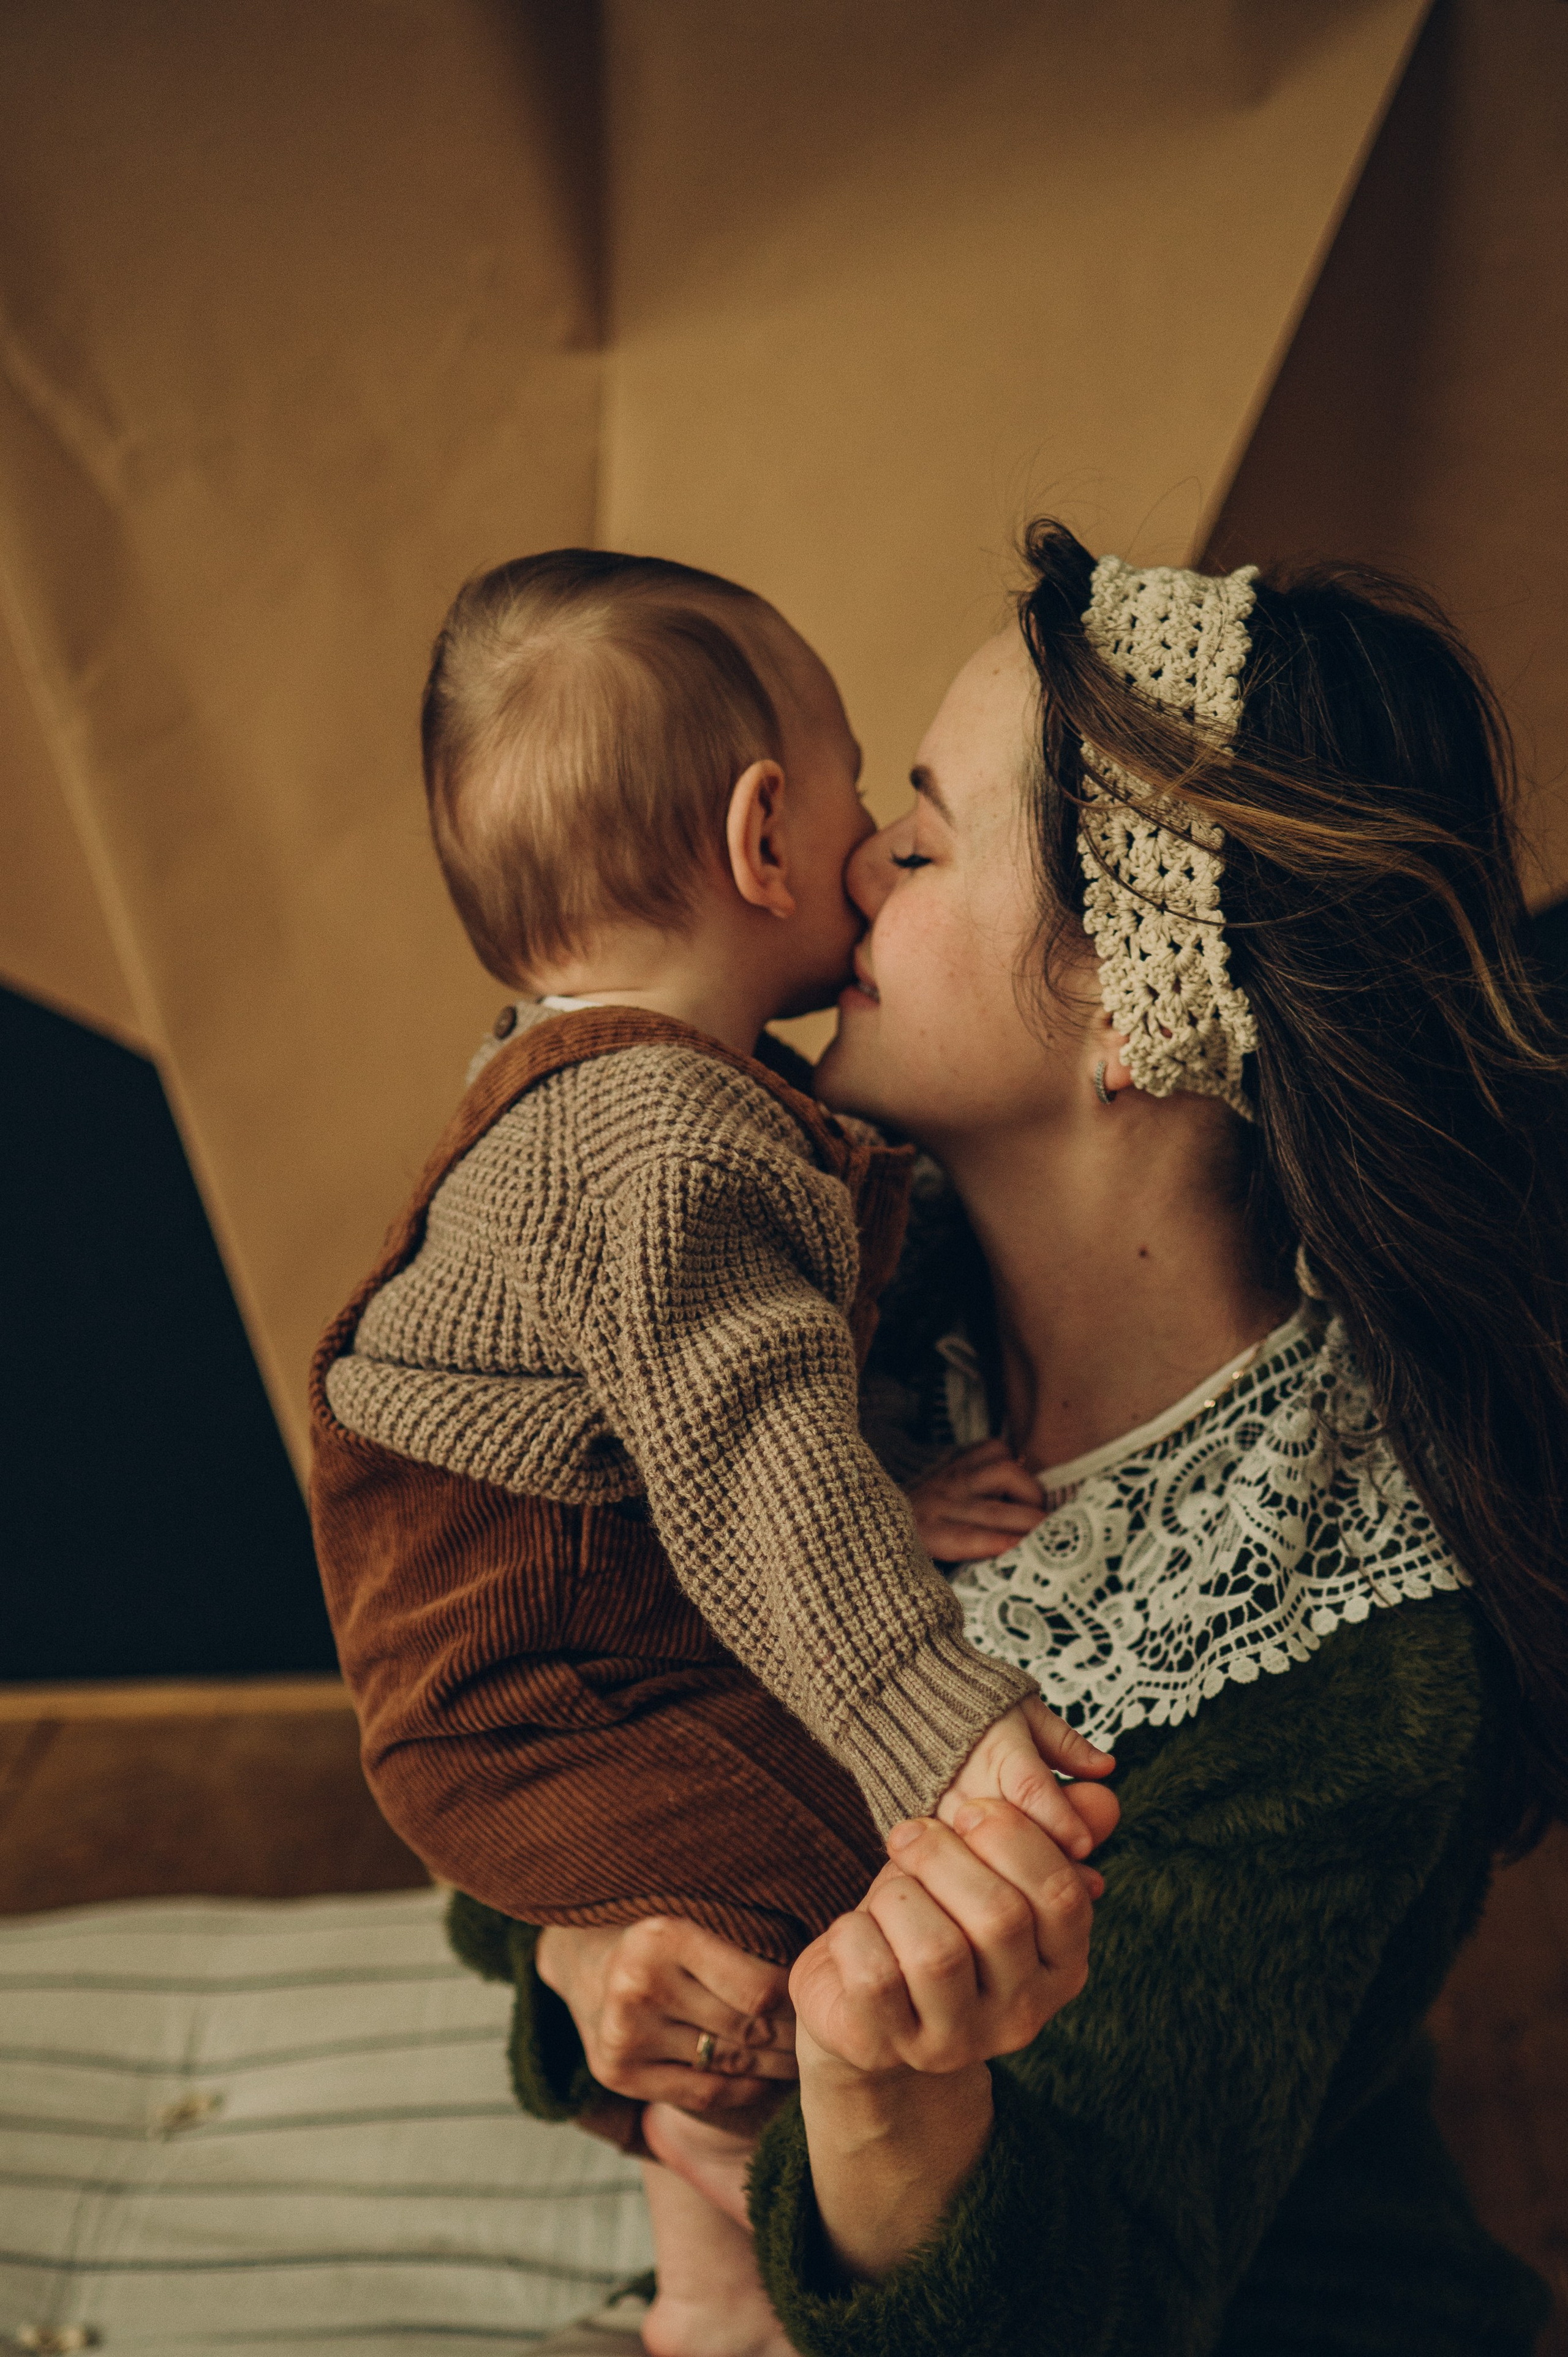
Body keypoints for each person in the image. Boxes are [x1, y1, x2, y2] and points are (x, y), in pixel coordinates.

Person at [522, 528, 1566, 2355]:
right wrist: (594, 1956)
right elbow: (521, 1677)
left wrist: (875, 2104)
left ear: (1131, 1011)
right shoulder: (832, 1309)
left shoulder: (1346, 1656)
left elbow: (1081, 2310)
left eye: (920, 841)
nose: (844, 869)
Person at [309, 550, 1118, 2357]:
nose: (882, 857)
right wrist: (939, 1715)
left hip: (574, 1621)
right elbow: (745, 1461)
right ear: (768, 838)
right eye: (871, 813)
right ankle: (721, 2300)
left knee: (800, 1908)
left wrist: (885, 1495)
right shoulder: (654, 1134)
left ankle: (709, 2253)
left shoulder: (607, 1091)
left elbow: (688, 1431)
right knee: (844, 1894)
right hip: (534, 1671)